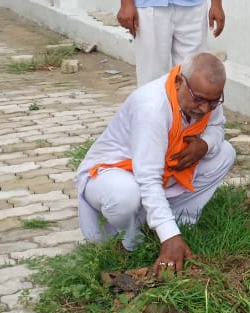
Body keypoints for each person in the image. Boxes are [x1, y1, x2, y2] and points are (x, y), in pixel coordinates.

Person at [75, 51, 236, 273]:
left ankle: (178, 222)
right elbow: (148, 177)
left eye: (214, 101)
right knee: (124, 196)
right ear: (179, 82)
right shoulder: (152, 107)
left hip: (163, 171)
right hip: (114, 173)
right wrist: (169, 238)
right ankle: (130, 240)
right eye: (199, 100)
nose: (205, 109)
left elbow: (217, 126)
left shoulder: (205, 97)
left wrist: (205, 144)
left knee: (225, 153)